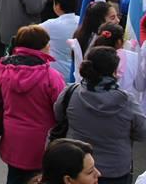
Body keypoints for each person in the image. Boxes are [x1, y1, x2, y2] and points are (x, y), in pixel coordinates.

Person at [54, 46, 146, 184]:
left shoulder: (71, 92)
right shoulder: (127, 101)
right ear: (114, 71)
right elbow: (142, 132)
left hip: (77, 166)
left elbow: (58, 116)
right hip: (115, 169)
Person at [0, 25, 66, 184]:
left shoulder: (2, 68)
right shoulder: (51, 76)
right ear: (43, 47)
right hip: (42, 140)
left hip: (12, 137)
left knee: (14, 176)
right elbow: (61, 109)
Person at [41, 0, 82, 82]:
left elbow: (29, 34)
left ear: (57, 6)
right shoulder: (82, 22)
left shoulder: (50, 25)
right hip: (79, 74)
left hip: (57, 74)